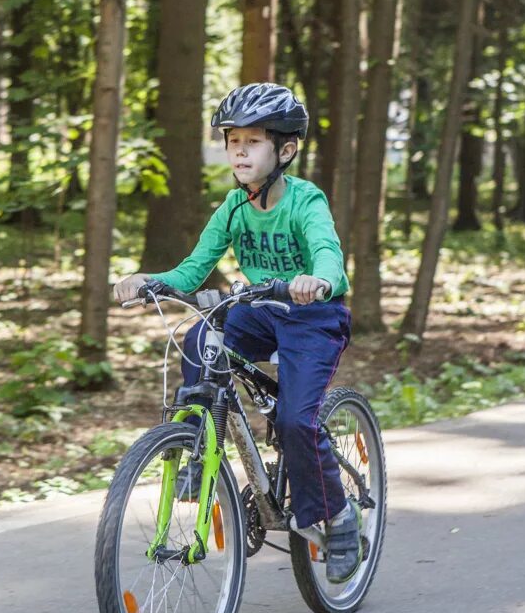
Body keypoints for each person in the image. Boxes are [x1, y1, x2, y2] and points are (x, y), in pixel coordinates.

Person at [113, 82, 360, 584]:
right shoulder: (232, 207)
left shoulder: (305, 201)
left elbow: (328, 255)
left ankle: (338, 517)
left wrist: (320, 280)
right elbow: (192, 269)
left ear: (285, 149)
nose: (239, 151)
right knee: (199, 339)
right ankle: (196, 445)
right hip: (258, 309)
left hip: (312, 316)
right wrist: (152, 282)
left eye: (253, 141)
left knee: (296, 421)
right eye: (232, 141)